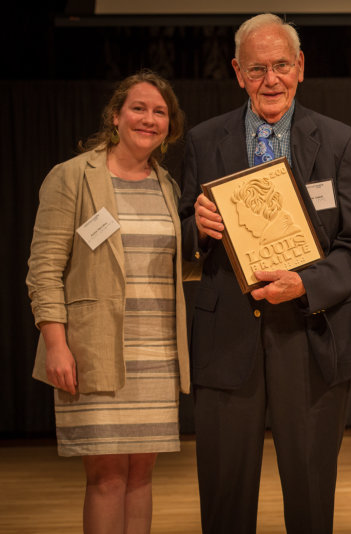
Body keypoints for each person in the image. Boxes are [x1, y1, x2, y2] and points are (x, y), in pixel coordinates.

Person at [179, 13, 351, 534]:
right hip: (226, 340)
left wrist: (306, 284)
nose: (271, 80)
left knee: (311, 496)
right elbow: (180, 236)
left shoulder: (339, 141)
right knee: (224, 498)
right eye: (257, 69)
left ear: (301, 67)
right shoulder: (205, 140)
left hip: (310, 334)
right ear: (237, 73)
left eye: (282, 66)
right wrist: (196, 229)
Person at [26, 70, 189, 533]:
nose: (149, 119)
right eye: (139, 108)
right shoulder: (73, 177)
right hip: (94, 350)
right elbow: (43, 269)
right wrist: (56, 344)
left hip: (156, 354)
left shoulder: (168, 185)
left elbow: (176, 266)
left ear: (169, 126)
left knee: (141, 476)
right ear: (116, 116)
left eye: (160, 112)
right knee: (106, 477)